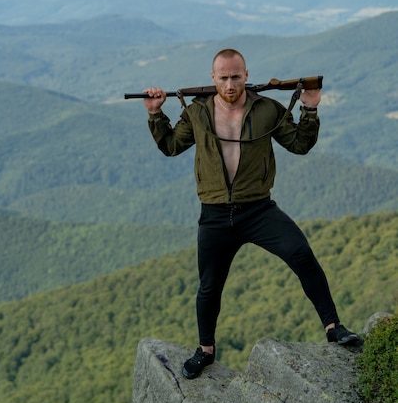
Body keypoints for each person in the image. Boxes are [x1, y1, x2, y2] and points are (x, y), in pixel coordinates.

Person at [143, 48, 362, 379]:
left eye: (235, 77)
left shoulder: (266, 108)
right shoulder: (198, 112)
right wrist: (156, 114)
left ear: (246, 75)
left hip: (258, 209)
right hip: (215, 214)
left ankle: (333, 327)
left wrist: (310, 107)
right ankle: (205, 351)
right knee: (209, 286)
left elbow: (300, 144)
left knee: (301, 254)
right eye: (223, 78)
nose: (230, 85)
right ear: (213, 79)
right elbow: (172, 146)